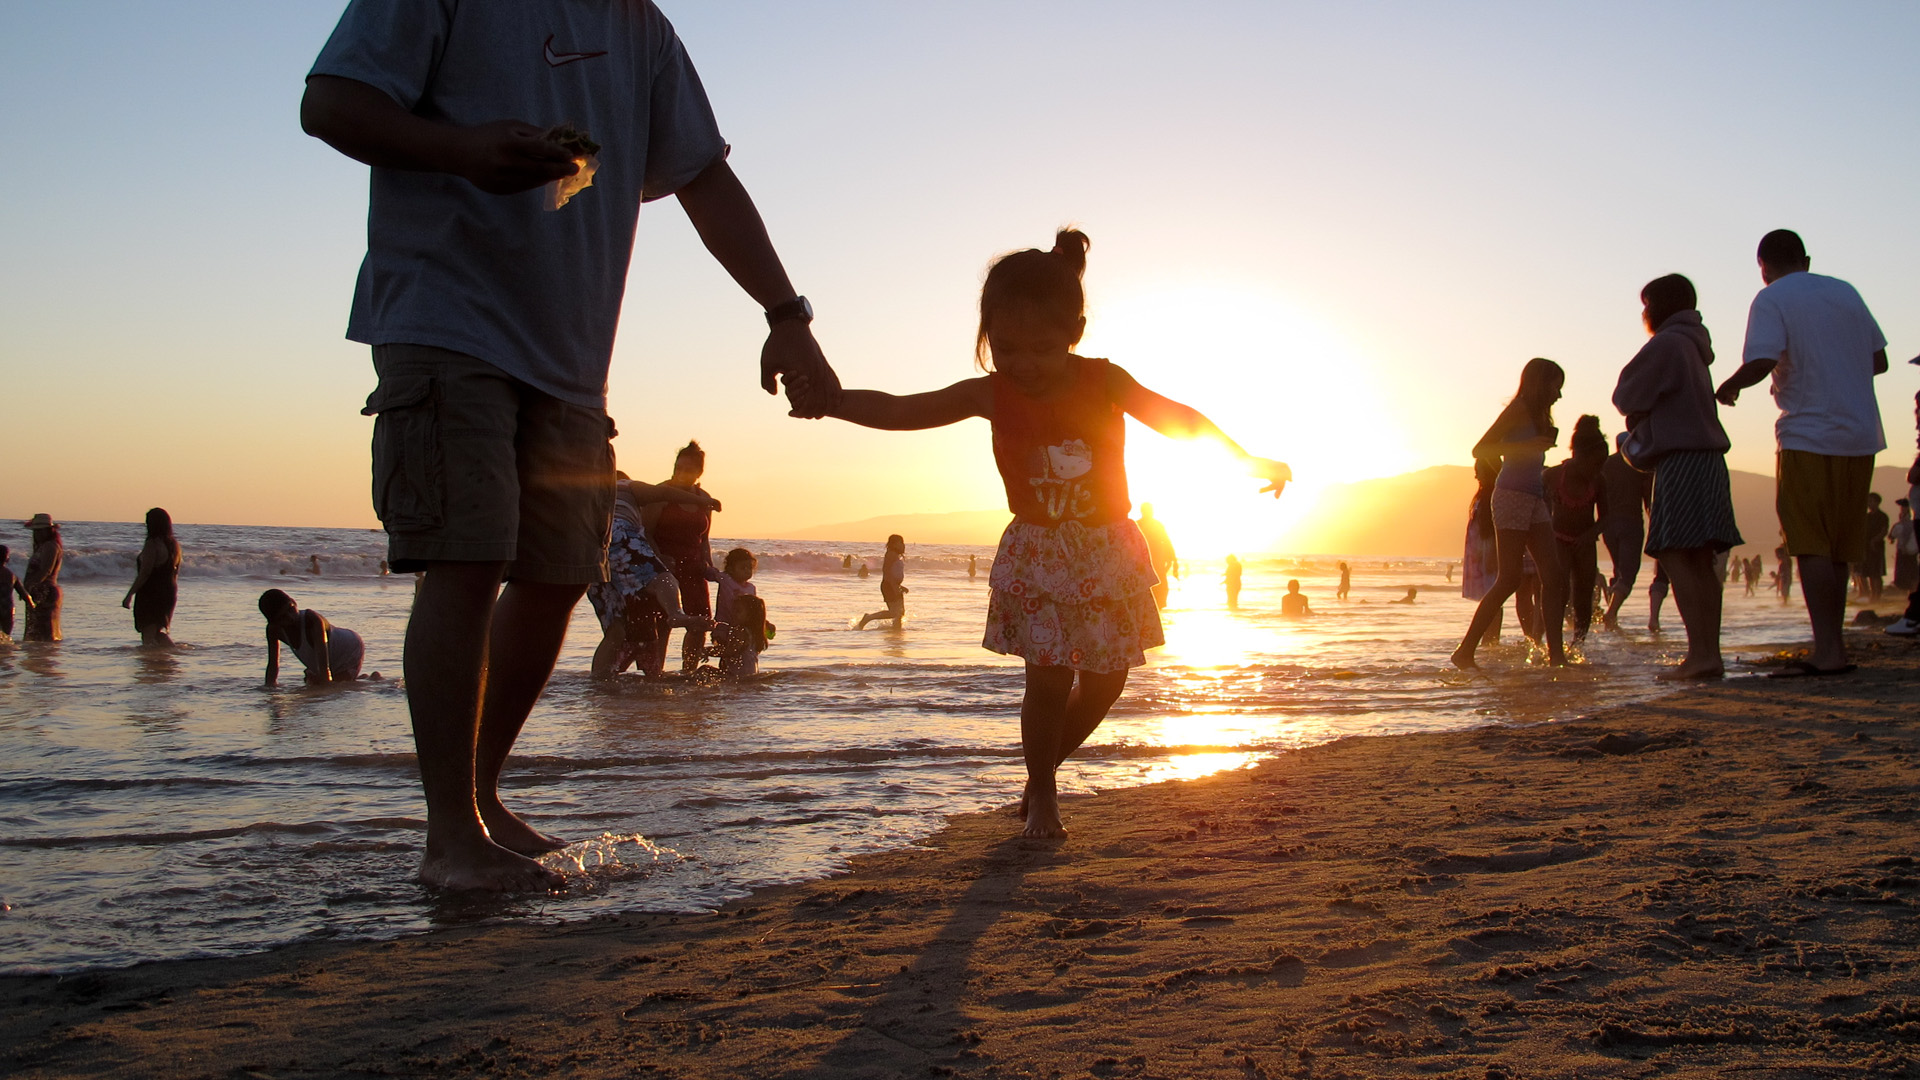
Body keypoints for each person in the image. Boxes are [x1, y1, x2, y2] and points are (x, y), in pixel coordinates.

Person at [302, 0, 839, 890]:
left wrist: (786, 313)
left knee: (556, 574)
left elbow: (704, 178)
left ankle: (480, 799)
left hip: (572, 357)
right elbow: (330, 103)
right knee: (467, 558)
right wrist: (462, 149)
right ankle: (450, 837)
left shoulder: (642, 27)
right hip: (445, 319)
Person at [799, 228, 1288, 838]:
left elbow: (1176, 417)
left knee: (1107, 681)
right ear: (987, 338)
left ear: (1073, 333)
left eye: (1041, 348)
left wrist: (1245, 460)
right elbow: (904, 409)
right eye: (1005, 348)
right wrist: (833, 400)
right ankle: (1046, 797)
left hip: (1108, 550)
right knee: (1049, 679)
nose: (1023, 364)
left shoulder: (1104, 381)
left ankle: (1038, 777)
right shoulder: (992, 393)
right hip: (1038, 552)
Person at [1716, 230, 1888, 677]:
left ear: (1763, 268)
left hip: (1808, 433)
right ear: (1806, 259)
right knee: (1839, 549)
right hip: (1860, 435)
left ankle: (1827, 651)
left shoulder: (1772, 297)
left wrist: (1730, 385)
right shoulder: (1846, 292)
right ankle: (1834, 648)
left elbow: (1762, 360)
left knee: (1810, 544)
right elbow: (1880, 361)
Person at [1614, 274, 1742, 678]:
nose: (1644, 313)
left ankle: (1700, 654)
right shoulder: (1694, 343)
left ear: (1660, 306)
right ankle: (1709, 654)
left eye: (1646, 305)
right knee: (1701, 557)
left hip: (1681, 458)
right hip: (1709, 458)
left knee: (1673, 552)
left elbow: (1625, 396)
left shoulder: (1667, 343)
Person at [1451, 359, 1568, 669]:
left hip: (1534, 496)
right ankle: (1465, 651)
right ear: (1540, 383)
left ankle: (1556, 656)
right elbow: (1480, 449)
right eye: (1556, 386)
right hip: (1511, 497)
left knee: (1553, 576)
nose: (1559, 394)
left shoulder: (1539, 414)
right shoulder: (1518, 409)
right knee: (1510, 578)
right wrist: (1524, 449)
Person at [588, 474, 715, 679]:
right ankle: (675, 613)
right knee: (663, 578)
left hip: (592, 551)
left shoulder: (592, 495)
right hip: (619, 535)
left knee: (616, 631)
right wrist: (701, 500)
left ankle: (599, 682)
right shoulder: (625, 485)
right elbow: (663, 493)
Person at [642, 441, 722, 673]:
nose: (681, 473)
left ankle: (689, 672)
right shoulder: (661, 494)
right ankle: (655, 674)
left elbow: (704, 538)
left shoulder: (703, 498)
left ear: (698, 472)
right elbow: (645, 532)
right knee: (663, 623)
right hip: (664, 568)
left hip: (694, 569)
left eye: (688, 469)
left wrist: (709, 565)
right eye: (678, 467)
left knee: (700, 623)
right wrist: (659, 557)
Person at [1543, 416, 1608, 643]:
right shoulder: (1552, 476)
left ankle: (1578, 644)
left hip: (1586, 543)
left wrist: (1590, 535)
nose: (1597, 470)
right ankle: (1553, 643)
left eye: (1601, 465)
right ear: (1577, 455)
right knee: (1559, 592)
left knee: (1583, 596)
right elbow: (1540, 509)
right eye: (1595, 464)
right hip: (1559, 540)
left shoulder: (1599, 481)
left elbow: (1606, 517)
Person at [1598, 434, 1653, 630]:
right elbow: (1648, 496)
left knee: (1618, 570)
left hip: (1608, 525)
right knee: (1628, 573)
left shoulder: (1605, 465)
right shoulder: (1637, 465)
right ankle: (1611, 613)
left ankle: (1612, 615)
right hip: (1630, 522)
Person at [260, 589, 364, 686]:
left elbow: (324, 667)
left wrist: (325, 684)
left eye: (291, 609)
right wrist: (269, 688)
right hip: (327, 655)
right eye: (283, 617)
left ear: (294, 602)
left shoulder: (312, 620)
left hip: (349, 649)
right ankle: (365, 678)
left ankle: (371, 679)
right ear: (274, 622)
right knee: (314, 683)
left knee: (333, 686)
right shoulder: (274, 630)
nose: (290, 617)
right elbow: (273, 664)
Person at [122, 507, 183, 647]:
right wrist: (170, 593)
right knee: (157, 632)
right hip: (169, 591)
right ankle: (173, 653)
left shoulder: (152, 543)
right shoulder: (174, 545)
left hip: (151, 593)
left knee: (148, 634)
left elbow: (145, 572)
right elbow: (175, 573)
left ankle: (154, 660)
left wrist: (129, 594)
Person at [1460, 458, 1503, 644]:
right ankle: (1489, 638)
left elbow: (1493, 530)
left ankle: (1491, 639)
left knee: (1492, 598)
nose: (1476, 475)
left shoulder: (1492, 496)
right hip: (1480, 552)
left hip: (1488, 551)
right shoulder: (1484, 495)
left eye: (1479, 471)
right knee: (1488, 597)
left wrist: (1492, 554)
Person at [20, 515, 62, 643]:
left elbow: (46, 570)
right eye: (36, 531)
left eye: (40, 531)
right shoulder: (43, 546)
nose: (37, 534)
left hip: (45, 590)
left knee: (44, 632)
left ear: (49, 531)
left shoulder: (50, 546)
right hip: (37, 590)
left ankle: (45, 654)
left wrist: (29, 586)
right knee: (35, 631)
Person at [855, 534, 909, 629]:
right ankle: (868, 617)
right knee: (894, 612)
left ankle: (896, 632)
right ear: (894, 544)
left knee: (900, 613)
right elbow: (887, 571)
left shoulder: (896, 555)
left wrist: (899, 586)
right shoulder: (891, 554)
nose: (903, 545)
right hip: (889, 585)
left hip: (895, 585)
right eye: (900, 543)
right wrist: (893, 586)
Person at [1137, 503, 1179, 608]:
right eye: (1147, 510)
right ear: (1142, 511)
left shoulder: (1157, 525)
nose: (1149, 512)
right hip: (1143, 563)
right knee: (1149, 592)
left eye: (1150, 510)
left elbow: (1166, 541)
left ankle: (1158, 611)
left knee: (1160, 591)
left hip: (1157, 561)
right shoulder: (1138, 525)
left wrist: (1174, 560)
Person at [1862, 493, 1890, 602]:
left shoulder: (1882, 516)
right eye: (1868, 501)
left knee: (1876, 573)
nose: (1869, 504)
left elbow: (1884, 531)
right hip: (1866, 547)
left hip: (1877, 547)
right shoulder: (1867, 516)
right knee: (1869, 573)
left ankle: (1878, 595)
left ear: (1877, 502)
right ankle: (1873, 595)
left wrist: (1874, 541)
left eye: (1871, 501)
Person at [0, 546, 29, 642]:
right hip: (7, 609)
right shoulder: (11, 576)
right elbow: (25, 595)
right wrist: (32, 604)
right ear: (7, 559)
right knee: (5, 637)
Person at [1890, 498, 1917, 594]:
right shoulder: (1901, 523)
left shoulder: (1908, 522)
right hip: (1907, 551)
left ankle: (1912, 592)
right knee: (1909, 573)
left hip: (1909, 551)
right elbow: (1892, 536)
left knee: (1910, 573)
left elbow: (1893, 536)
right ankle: (1910, 592)